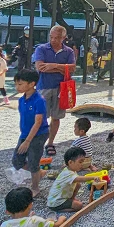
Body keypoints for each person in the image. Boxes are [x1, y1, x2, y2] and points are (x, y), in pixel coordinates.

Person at [33, 24, 77, 157]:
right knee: (41, 117)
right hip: (44, 86)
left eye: (57, 38)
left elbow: (73, 68)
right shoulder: (41, 49)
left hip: (61, 88)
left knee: (56, 117)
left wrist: (53, 66)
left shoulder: (68, 51)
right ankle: (38, 142)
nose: (53, 40)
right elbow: (40, 67)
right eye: (51, 37)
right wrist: (62, 68)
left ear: (63, 38)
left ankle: (50, 142)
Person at [12, 69, 49, 195]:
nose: (17, 87)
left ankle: (35, 187)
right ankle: (39, 173)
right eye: (16, 84)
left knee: (33, 161)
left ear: (32, 83)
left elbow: (38, 122)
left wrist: (28, 141)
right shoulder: (21, 100)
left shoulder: (39, 100)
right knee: (17, 161)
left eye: (20, 84)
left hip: (39, 134)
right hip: (25, 133)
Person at [47, 146, 93, 212]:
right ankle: (61, 210)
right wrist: (93, 177)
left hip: (60, 199)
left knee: (78, 185)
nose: (82, 164)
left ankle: (71, 199)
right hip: (56, 202)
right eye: (80, 162)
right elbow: (80, 179)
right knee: (79, 205)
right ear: (70, 162)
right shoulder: (67, 173)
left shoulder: (70, 170)